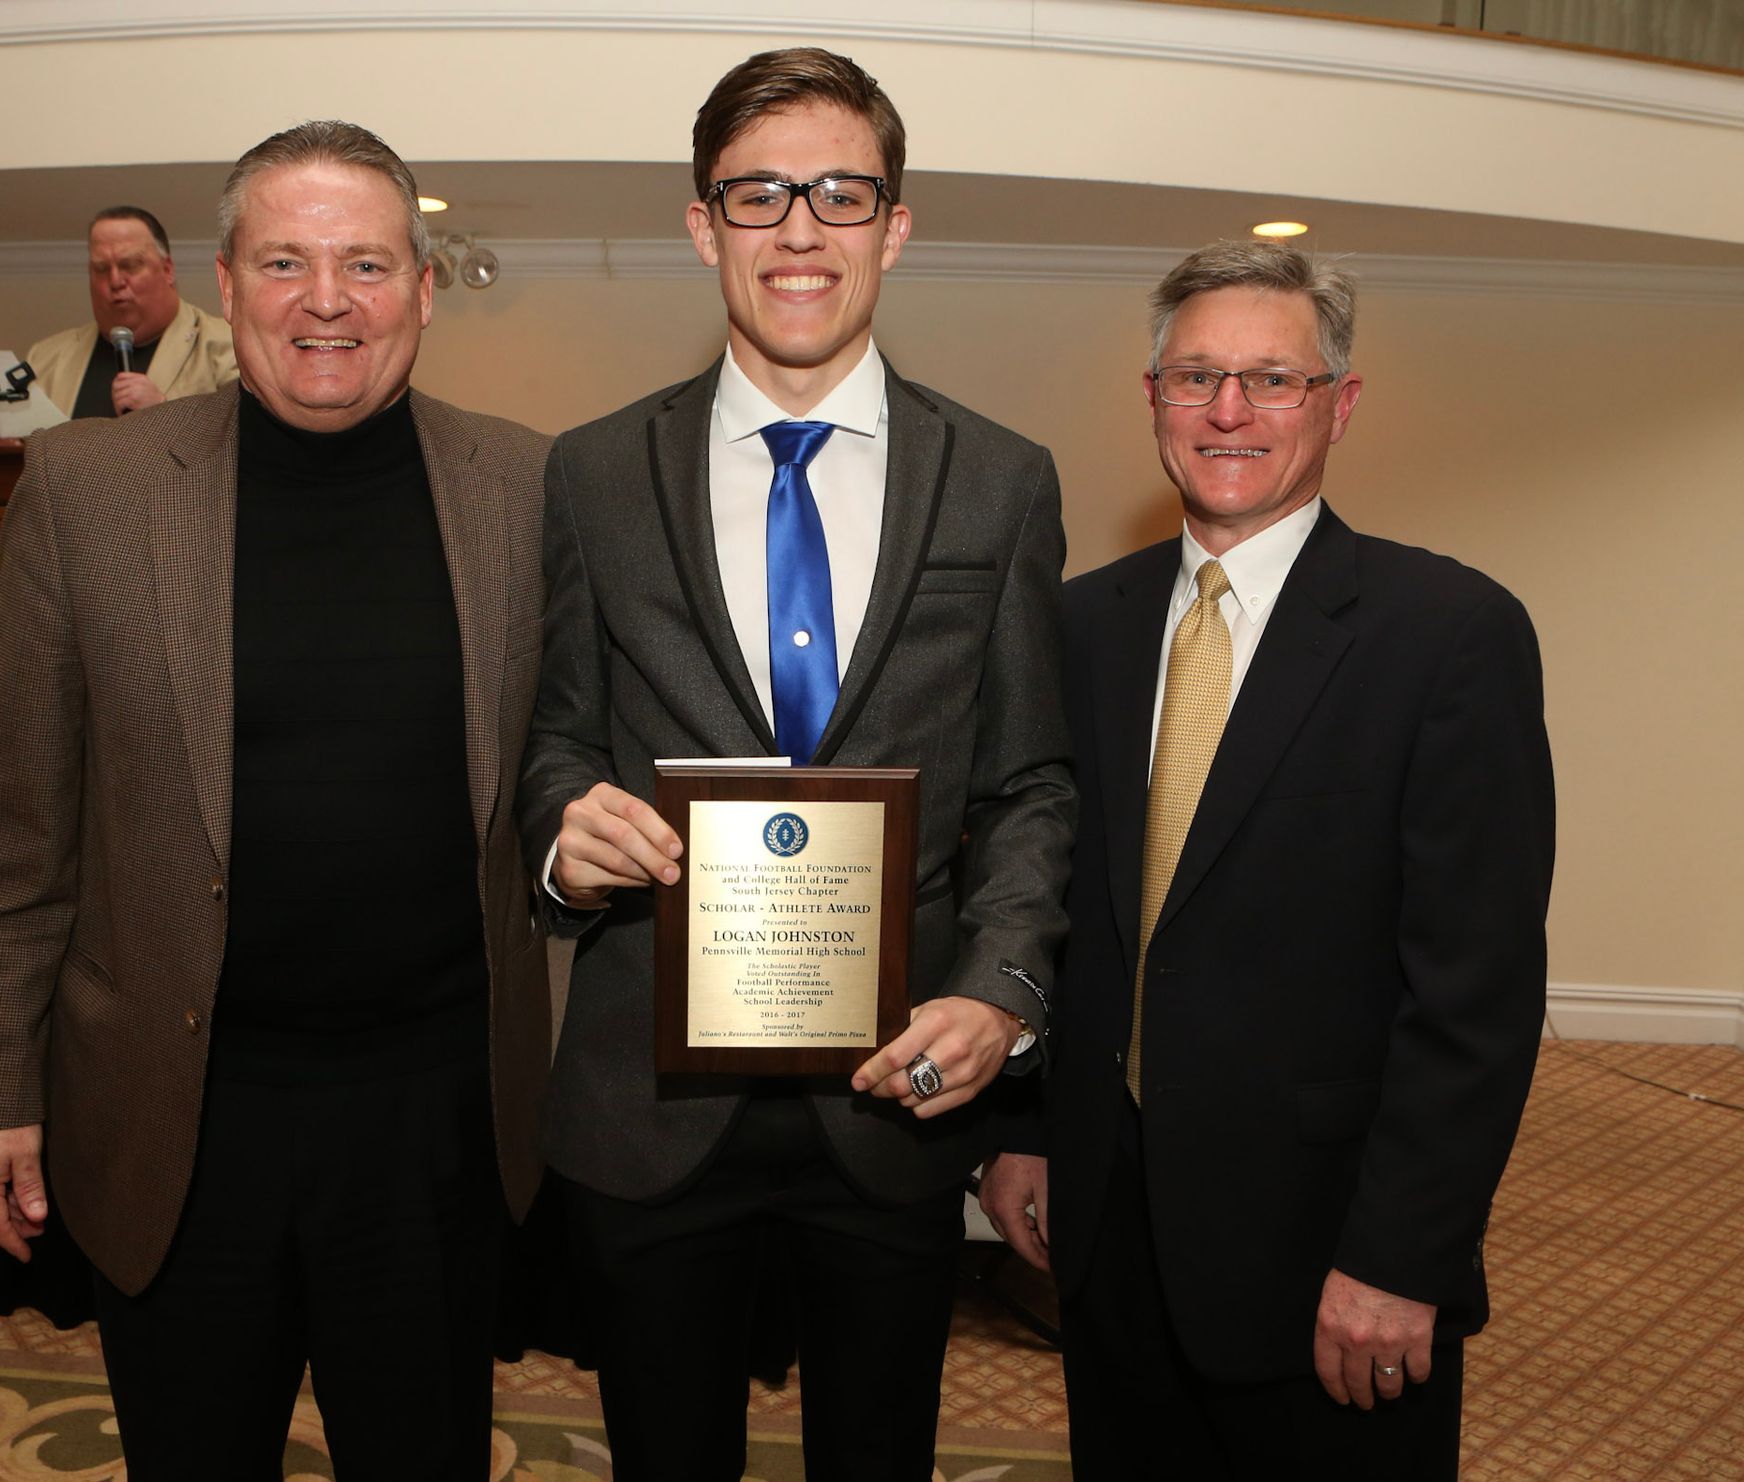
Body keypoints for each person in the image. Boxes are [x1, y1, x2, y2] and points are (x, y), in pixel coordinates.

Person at [0, 120, 552, 1479]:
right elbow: (5, 837)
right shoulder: (83, 491)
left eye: (366, 264)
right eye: (285, 260)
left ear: (424, 286)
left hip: (433, 1120)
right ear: (227, 281)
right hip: (179, 1119)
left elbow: (567, 765)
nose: (326, 300)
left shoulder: (527, 486)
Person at [518, 46, 1076, 1481]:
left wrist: (1001, 990)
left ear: (895, 226)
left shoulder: (1002, 479)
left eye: (841, 192)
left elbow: (1028, 785)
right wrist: (559, 835)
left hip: (896, 1099)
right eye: (759, 194)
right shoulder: (586, 474)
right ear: (704, 226)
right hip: (649, 1103)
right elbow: (558, 735)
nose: (800, 228)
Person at [981, 240, 1555, 1479]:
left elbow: (1477, 995)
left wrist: (1403, 1257)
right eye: (1194, 378)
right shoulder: (1079, 624)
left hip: (1331, 1263)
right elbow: (1047, 902)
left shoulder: (1450, 637)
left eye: (1270, 380)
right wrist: (1022, 1127)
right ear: (1152, 402)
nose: (1227, 411)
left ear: (1339, 405)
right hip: (1108, 1233)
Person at [27, 206, 237, 419]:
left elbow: (243, 439)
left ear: (167, 270)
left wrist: (163, 411)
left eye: (130, 265)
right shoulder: (45, 358)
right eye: (101, 269)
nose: (116, 281)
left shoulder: (228, 345)